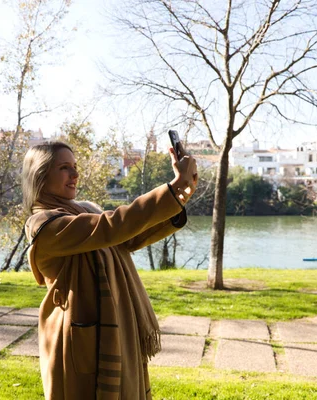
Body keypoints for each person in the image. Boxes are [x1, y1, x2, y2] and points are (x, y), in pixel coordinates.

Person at [22, 141, 198, 400]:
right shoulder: (44, 224)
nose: (75, 175)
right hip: (78, 341)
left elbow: (127, 237)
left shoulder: (85, 210)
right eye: (64, 168)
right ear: (40, 175)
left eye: (75, 167)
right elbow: (112, 226)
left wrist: (181, 193)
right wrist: (173, 189)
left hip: (115, 327)